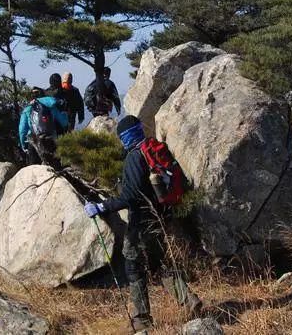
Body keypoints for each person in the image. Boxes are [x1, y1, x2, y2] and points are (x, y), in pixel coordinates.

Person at [83, 115, 202, 331]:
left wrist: (103, 206)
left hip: (140, 223)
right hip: (159, 217)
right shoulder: (152, 152)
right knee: (158, 263)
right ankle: (189, 300)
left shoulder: (134, 158)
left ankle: (140, 319)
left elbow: (130, 196)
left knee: (133, 266)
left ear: (124, 138)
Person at [18, 86, 68, 166]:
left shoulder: (27, 109)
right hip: (51, 139)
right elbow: (64, 123)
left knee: (34, 169)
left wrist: (24, 145)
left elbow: (22, 130)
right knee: (55, 166)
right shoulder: (51, 106)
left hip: (34, 142)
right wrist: (65, 114)